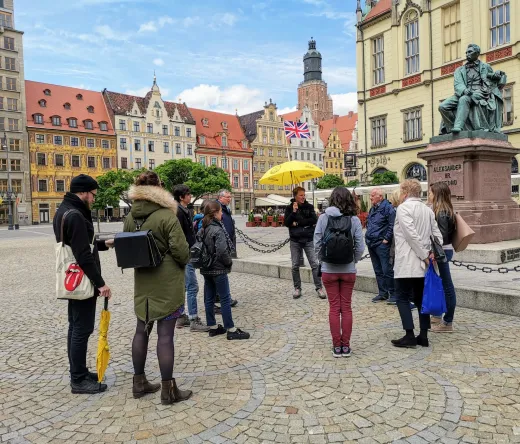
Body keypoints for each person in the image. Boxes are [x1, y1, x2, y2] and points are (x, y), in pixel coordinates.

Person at [124, 171, 192, 404]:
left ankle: (139, 382)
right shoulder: (166, 215)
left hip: (143, 280)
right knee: (165, 335)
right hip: (167, 281)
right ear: (159, 190)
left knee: (141, 330)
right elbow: (182, 252)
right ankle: (168, 390)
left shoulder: (130, 217)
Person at [52, 174, 113, 394]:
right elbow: (82, 254)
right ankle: (78, 380)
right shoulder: (76, 215)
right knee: (82, 329)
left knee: (75, 326)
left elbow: (78, 243)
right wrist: (100, 284)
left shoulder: (64, 210)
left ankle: (78, 370)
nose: (94, 199)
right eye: (93, 195)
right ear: (83, 192)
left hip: (72, 278)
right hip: (82, 280)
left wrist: (104, 244)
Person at [391, 179, 443, 349]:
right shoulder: (427, 209)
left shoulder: (403, 208)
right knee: (421, 298)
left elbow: (411, 235)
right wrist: (432, 253)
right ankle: (424, 335)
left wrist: (424, 255)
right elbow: (437, 235)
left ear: (404, 192)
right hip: (424, 262)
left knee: (402, 297)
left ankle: (409, 334)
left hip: (408, 261)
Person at [314, 187, 364, 357]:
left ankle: (337, 347)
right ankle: (346, 347)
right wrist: (353, 260)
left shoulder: (323, 218)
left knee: (334, 308)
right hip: (348, 269)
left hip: (329, 270)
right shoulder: (354, 220)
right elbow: (360, 246)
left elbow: (317, 243)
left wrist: (323, 260)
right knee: (347, 308)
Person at [200, 201, 250, 340]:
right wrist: (228, 262)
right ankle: (231, 329)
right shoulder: (218, 229)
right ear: (215, 213)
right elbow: (222, 251)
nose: (222, 214)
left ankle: (213, 327)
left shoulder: (203, 228)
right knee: (225, 299)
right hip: (218, 269)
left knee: (209, 298)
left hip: (206, 268)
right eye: (220, 212)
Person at [173, 184, 209, 333]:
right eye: (188, 194)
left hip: (186, 252)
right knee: (192, 286)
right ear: (181, 197)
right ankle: (194, 319)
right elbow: (179, 235)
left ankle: (181, 316)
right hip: (184, 253)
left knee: (183, 286)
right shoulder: (178, 211)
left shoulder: (184, 210)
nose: (190, 196)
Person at [284, 186, 325, 299]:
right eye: (301, 195)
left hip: (308, 239)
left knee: (315, 264)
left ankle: (319, 287)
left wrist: (297, 223)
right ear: (295, 196)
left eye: (304, 195)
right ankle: (297, 288)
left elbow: (313, 220)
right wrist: (293, 212)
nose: (303, 197)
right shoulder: (289, 208)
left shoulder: (309, 206)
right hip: (295, 240)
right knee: (295, 265)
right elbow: (286, 222)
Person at [429, 182, 457, 333]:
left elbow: (441, 236)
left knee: (447, 286)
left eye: (431, 192)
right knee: (442, 284)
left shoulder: (441, 212)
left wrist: (434, 252)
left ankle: (448, 322)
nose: (429, 195)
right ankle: (437, 315)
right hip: (444, 251)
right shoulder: (446, 210)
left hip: (442, 252)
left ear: (437, 194)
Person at [365, 188, 396, 304]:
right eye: (371, 195)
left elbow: (392, 224)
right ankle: (383, 293)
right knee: (378, 270)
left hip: (381, 244)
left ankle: (393, 294)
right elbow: (370, 223)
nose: (371, 197)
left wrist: (386, 239)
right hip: (372, 242)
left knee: (386, 269)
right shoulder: (373, 208)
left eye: (373, 195)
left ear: (380, 196)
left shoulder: (388, 208)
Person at [216, 190, 239, 307]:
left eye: (230, 197)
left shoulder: (225, 209)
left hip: (226, 244)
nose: (229, 199)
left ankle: (218, 296)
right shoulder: (217, 208)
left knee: (220, 274)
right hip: (221, 246)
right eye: (227, 197)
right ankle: (226, 298)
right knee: (222, 274)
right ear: (220, 198)